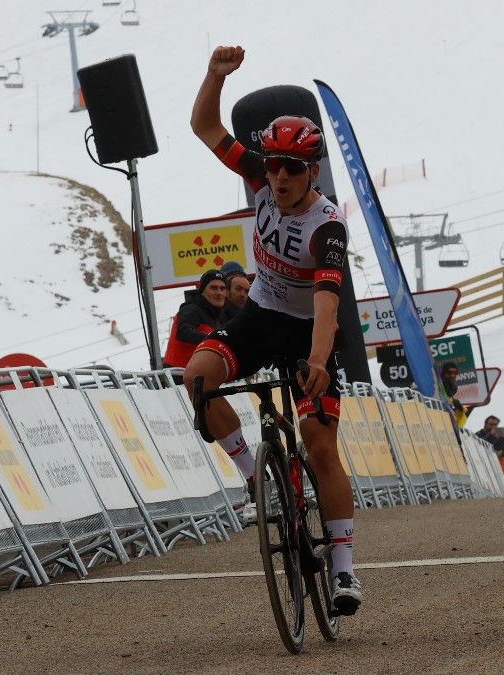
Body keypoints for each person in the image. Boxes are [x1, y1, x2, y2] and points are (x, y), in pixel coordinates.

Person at [183, 45, 361, 614]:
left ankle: (344, 571)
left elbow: (329, 308)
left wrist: (317, 362)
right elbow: (204, 125)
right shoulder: (259, 174)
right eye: (274, 166)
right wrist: (214, 76)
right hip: (260, 315)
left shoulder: (326, 227)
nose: (279, 177)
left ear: (313, 171)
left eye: (293, 169)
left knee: (321, 447)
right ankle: (254, 479)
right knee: (197, 377)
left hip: (309, 332)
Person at [162, 270, 228, 372]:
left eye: (222, 288)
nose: (219, 292)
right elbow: (183, 332)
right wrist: (215, 339)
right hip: (177, 376)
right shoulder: (191, 309)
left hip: (199, 375)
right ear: (202, 291)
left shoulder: (218, 316)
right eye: (213, 288)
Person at [438, 362, 469, 428]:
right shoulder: (436, 384)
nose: (452, 375)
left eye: (455, 373)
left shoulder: (453, 388)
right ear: (443, 373)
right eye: (449, 373)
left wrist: (458, 407)